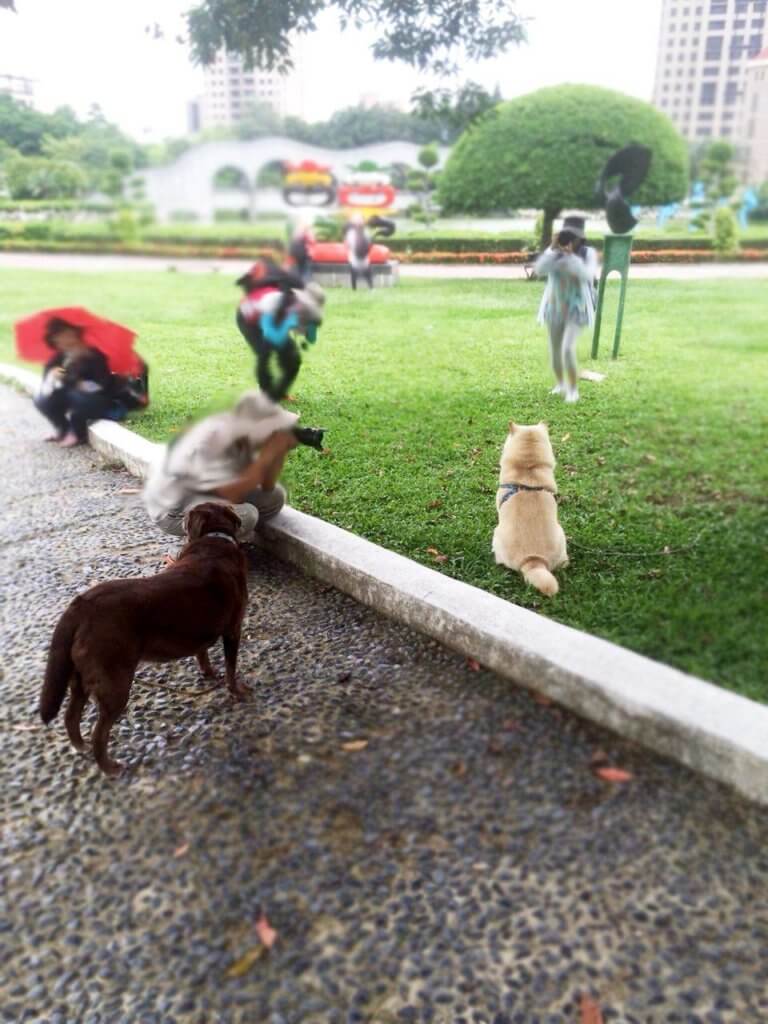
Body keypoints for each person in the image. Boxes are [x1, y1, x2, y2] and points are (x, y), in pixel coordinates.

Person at [143, 390, 309, 542]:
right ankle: (204, 546)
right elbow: (230, 495)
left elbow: (267, 485)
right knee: (248, 514)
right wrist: (268, 455)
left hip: (208, 493)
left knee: (274, 497)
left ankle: (217, 533)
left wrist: (279, 453)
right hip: (172, 511)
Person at [235, 258, 325, 405]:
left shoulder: (299, 304)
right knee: (265, 353)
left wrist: (311, 327)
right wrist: (289, 325)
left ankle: (279, 393)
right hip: (248, 321)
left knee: (292, 359)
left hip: (272, 316)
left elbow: (310, 336)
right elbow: (272, 334)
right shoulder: (274, 301)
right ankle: (267, 396)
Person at [534, 216, 599, 404]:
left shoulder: (588, 253)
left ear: (581, 238)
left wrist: (571, 258)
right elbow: (539, 270)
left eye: (574, 236)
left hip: (577, 308)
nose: (570, 240)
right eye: (566, 235)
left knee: (567, 349)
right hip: (554, 306)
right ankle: (560, 384)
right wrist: (552, 251)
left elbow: (587, 276)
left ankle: (573, 390)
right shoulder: (553, 252)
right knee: (555, 350)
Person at [34, 317, 114, 447]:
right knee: (41, 399)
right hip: (69, 395)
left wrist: (74, 378)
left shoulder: (93, 355)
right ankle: (62, 428)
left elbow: (103, 384)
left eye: (65, 336)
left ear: (75, 334)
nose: (62, 342)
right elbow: (48, 378)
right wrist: (53, 375)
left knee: (76, 396)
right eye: (57, 340)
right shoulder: (60, 357)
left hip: (95, 398)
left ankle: (77, 432)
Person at [344, 213, 373, 290]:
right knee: (354, 273)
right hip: (354, 255)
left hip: (363, 256)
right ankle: (355, 288)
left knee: (367, 272)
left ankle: (370, 287)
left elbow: (369, 243)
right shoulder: (351, 233)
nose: (358, 222)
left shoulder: (365, 231)